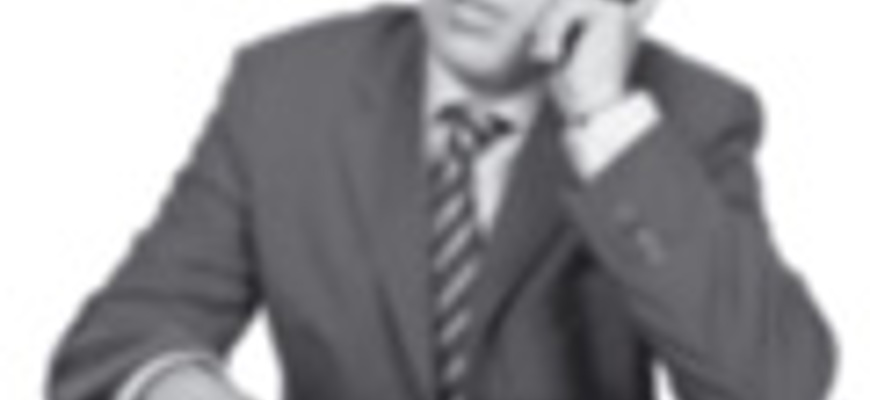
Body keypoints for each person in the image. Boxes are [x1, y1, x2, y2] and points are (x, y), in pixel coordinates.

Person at [48, 0, 837, 399]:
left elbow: (775, 384)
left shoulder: (681, 117)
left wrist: (603, 117)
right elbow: (118, 337)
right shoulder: (285, 90)